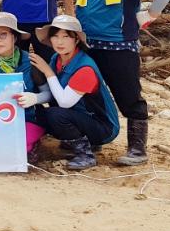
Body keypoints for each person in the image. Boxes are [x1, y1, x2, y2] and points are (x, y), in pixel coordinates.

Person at [67, 0, 170, 166]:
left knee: (128, 94)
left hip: (119, 41)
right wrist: (79, 6)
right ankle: (95, 138)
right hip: (87, 39)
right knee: (90, 92)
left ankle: (137, 148)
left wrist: (152, 14)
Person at [28, 15, 120, 170]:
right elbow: (53, 91)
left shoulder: (85, 68)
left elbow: (64, 102)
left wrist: (47, 72)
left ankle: (85, 154)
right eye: (55, 36)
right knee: (37, 112)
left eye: (66, 36)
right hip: (79, 116)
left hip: (102, 126)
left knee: (55, 115)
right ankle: (75, 140)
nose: (60, 42)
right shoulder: (57, 59)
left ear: (76, 39)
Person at [0, 12, 48, 162]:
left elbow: (48, 93)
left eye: (3, 34)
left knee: (17, 148)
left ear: (14, 37)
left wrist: (35, 98)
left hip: (26, 119)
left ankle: (33, 143)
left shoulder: (30, 61)